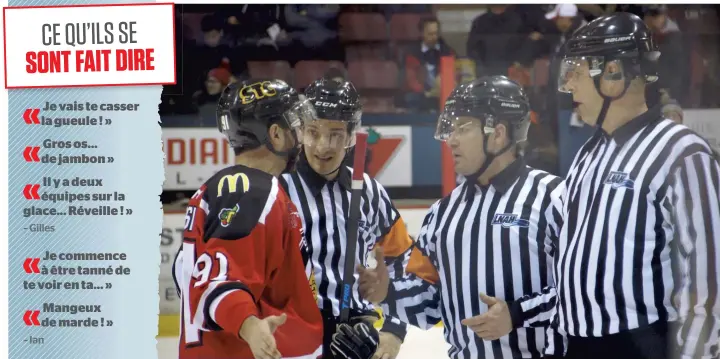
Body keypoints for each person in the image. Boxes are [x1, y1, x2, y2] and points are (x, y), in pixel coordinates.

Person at [513, 13, 720, 359]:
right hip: (578, 345)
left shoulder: (682, 153)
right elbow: (571, 265)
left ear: (613, 74)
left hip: (642, 346)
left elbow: (706, 286)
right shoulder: (587, 154)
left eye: (576, 73)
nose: (568, 87)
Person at [358, 76, 566, 359]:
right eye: (450, 129)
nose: (450, 140)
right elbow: (429, 305)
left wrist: (518, 314)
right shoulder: (442, 215)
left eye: (463, 129)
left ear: (498, 133)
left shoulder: (555, 198)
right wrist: (388, 294)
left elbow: (588, 292)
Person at [173, 79, 351, 359]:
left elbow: (187, 271)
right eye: (295, 125)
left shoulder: (217, 190)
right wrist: (250, 326)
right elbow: (218, 279)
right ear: (276, 134)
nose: (301, 135)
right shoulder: (253, 189)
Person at [280, 78, 413, 359]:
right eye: (313, 132)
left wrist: (394, 330)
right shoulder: (276, 190)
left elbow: (405, 260)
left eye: (336, 134)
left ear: (352, 135)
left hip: (356, 342)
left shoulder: (369, 191)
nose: (322, 146)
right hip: (290, 340)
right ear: (300, 130)